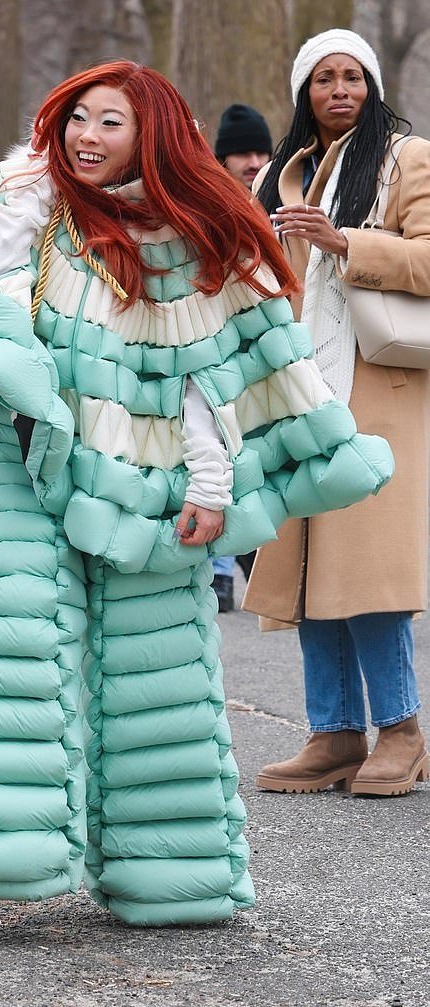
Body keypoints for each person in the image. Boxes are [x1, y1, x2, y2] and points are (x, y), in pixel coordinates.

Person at [0, 61, 393, 925]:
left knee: (157, 677)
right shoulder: (24, 199)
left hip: (148, 476)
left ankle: (170, 877)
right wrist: (19, 199)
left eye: (109, 122)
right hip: (18, 451)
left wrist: (212, 489)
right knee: (8, 641)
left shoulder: (189, 237)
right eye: (75, 118)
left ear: (154, 136)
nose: (85, 137)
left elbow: (205, 384)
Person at [244, 28, 430, 797]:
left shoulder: (406, 158)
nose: (340, 89)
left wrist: (347, 242)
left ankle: (402, 730)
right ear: (303, 92)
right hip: (297, 389)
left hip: (374, 391)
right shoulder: (286, 175)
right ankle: (333, 733)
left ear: (372, 85)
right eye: (323, 78)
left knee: (365, 570)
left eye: (353, 76)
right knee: (309, 560)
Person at [212, 104, 274, 609]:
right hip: (215, 343)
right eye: (242, 153)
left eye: (261, 151)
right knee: (215, 450)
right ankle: (220, 573)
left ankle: (251, 562)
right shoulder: (210, 201)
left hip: (263, 346)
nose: (253, 162)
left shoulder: (281, 198)